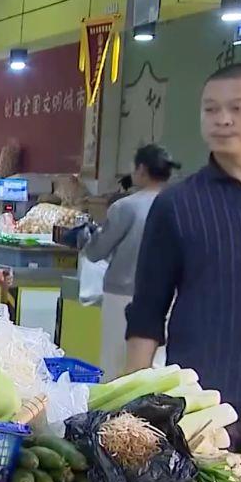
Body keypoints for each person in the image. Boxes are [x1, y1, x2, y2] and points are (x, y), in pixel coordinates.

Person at [126, 63, 241, 482]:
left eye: (237, 108)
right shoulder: (178, 205)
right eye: (210, 109)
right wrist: (131, 406)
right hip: (201, 410)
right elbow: (147, 310)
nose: (222, 119)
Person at [82, 144, 180, 379]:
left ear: (142, 169)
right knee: (156, 365)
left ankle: (117, 405)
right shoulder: (179, 205)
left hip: (123, 294)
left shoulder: (125, 207)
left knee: (116, 362)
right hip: (170, 296)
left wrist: (85, 238)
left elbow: (96, 252)